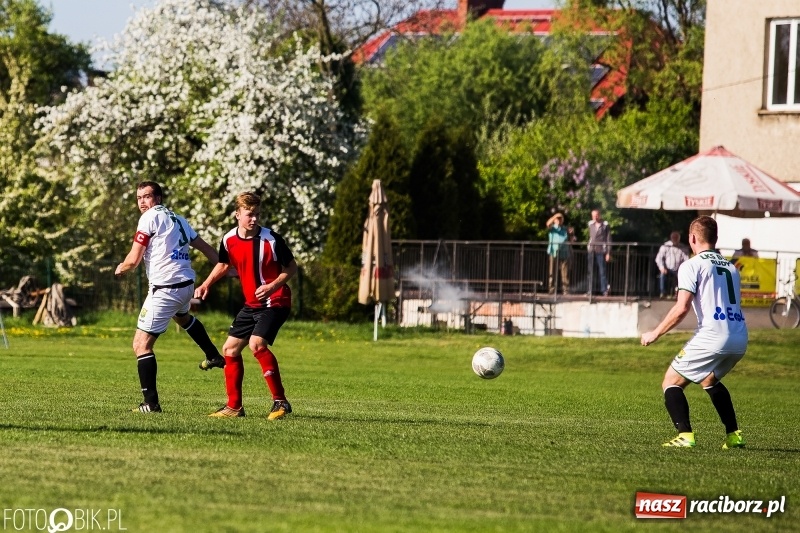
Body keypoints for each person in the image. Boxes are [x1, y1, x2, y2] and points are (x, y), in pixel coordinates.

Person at [115, 181, 225, 414]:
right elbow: (205, 248)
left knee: (141, 345)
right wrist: (228, 268)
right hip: (186, 285)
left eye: (146, 197)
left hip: (166, 288)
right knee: (183, 318)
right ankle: (213, 355)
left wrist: (122, 267)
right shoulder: (179, 219)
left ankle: (151, 404)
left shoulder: (149, 218)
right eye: (138, 198)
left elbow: (134, 259)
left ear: (158, 198)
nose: (142, 202)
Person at [641, 215, 747, 449]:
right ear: (715, 238)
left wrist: (654, 333)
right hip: (739, 336)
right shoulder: (731, 267)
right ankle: (734, 435)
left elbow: (681, 308)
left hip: (713, 336)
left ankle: (685, 435)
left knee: (671, 382)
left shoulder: (692, 265)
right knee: (709, 379)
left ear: (692, 238)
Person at [194, 192, 298, 420]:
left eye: (257, 214)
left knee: (256, 344)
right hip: (252, 304)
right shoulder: (228, 239)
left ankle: (280, 402)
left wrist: (272, 286)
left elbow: (291, 268)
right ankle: (234, 407)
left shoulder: (271, 240)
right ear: (237, 215)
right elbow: (223, 264)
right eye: (250, 214)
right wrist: (206, 284)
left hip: (275, 299)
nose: (254, 219)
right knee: (229, 350)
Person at [655, 231, 689, 299]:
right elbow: (658, 258)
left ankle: (678, 294)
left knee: (683, 277)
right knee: (662, 275)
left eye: (677, 238)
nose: (675, 239)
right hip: (667, 269)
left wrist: (683, 269)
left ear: (679, 238)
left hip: (678, 269)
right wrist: (662, 267)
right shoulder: (665, 246)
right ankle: (662, 293)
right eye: (674, 238)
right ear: (671, 238)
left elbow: (686, 260)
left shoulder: (683, 248)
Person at [546, 213, 573, 294]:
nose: (559, 220)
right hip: (554, 251)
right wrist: (554, 216)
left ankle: (566, 290)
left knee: (565, 273)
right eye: (557, 219)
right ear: (554, 220)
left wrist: (571, 233)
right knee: (552, 272)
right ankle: (551, 289)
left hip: (564, 252)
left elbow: (571, 240)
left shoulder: (565, 228)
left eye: (560, 219)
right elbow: (547, 224)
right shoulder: (552, 228)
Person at [587, 209, 611, 296]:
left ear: (599, 215)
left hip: (601, 250)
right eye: (593, 216)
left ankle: (604, 290)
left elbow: (608, 239)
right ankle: (590, 290)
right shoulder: (590, 224)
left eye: (596, 215)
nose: (595, 217)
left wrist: (608, 252)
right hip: (592, 250)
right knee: (590, 271)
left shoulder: (605, 225)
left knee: (602, 271)